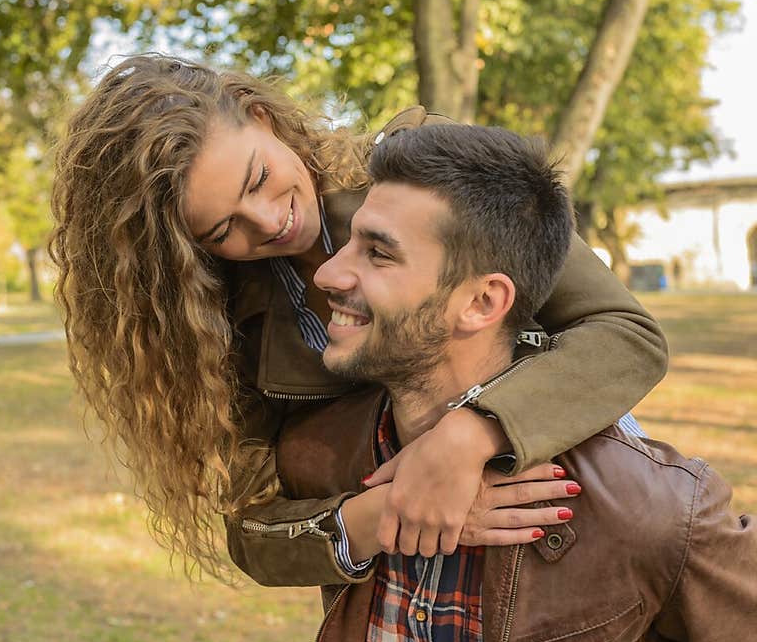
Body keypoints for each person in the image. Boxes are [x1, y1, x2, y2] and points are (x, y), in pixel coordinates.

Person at [258, 123, 757, 642]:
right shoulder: (332, 455)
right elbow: (249, 534)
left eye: (377, 254)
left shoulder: (651, 507)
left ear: (482, 303)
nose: (330, 273)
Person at [49, 53, 668, 585]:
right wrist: (394, 510)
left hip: (573, 529)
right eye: (222, 229)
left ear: (261, 117)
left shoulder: (422, 170)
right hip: (399, 604)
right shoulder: (222, 328)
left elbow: (624, 335)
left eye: (259, 178)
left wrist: (470, 436)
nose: (267, 222)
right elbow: (254, 528)